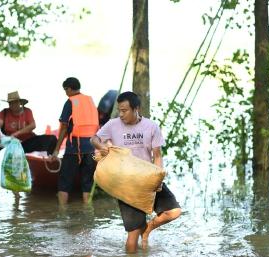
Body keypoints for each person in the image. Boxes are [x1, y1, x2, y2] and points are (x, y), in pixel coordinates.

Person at [90, 91, 181, 253]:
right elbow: (94, 139)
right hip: (125, 183)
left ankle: (148, 229)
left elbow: (157, 156)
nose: (121, 114)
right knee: (132, 236)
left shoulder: (151, 126)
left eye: (125, 110)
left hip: (148, 179)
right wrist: (101, 147)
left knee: (174, 212)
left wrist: (158, 180)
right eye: (119, 110)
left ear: (136, 109)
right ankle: (139, 237)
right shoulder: (112, 124)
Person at [51, 77, 99, 204]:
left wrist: (56, 150)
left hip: (74, 148)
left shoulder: (70, 101)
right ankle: (88, 211)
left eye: (65, 89)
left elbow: (64, 128)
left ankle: (62, 212)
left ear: (70, 89)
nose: (65, 92)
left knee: (64, 181)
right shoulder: (90, 100)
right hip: (90, 148)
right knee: (87, 182)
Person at [0, 91, 57, 155]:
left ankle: (48, 159)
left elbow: (33, 125)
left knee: (52, 139)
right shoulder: (4, 113)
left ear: (19, 102)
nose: (12, 105)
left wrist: (17, 133)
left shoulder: (27, 111)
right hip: (11, 144)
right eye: (10, 103)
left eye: (15, 102)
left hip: (27, 143)